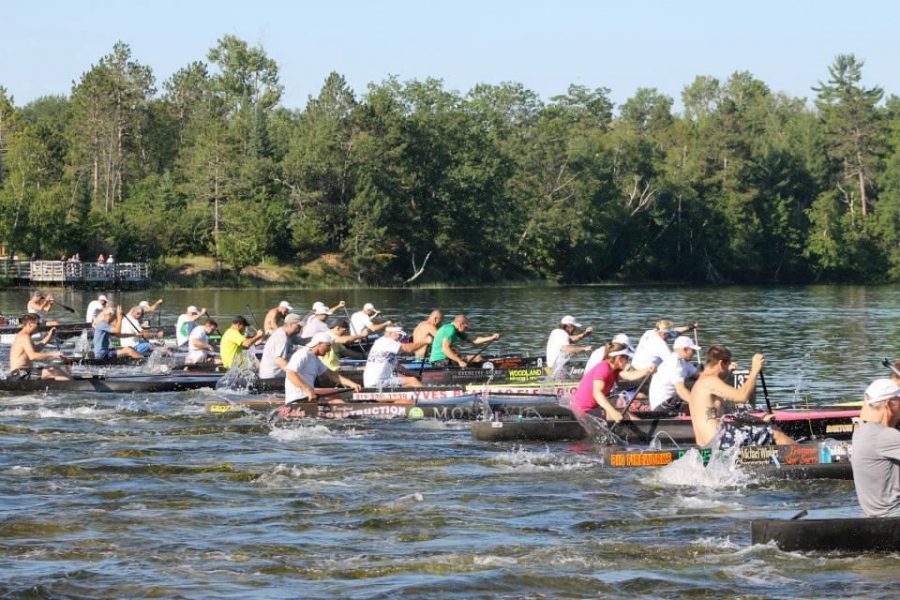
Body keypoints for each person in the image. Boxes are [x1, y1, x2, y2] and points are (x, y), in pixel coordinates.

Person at [688, 345, 794, 449]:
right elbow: (742, 396)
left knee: (759, 428)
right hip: (719, 441)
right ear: (721, 364)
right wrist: (754, 370)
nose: (729, 370)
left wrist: (759, 420)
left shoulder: (699, 384)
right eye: (728, 365)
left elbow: (733, 415)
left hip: (706, 445)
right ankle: (806, 455)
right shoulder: (709, 381)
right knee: (774, 432)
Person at [850, 378, 900, 517]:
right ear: (890, 404)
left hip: (870, 515)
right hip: (893, 516)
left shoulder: (860, 433)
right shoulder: (887, 437)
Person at [570, 342, 655, 421]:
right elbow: (597, 393)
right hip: (583, 411)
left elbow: (629, 375)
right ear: (619, 358)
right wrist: (613, 412)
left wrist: (647, 370)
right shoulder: (604, 368)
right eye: (627, 358)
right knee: (626, 415)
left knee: (622, 410)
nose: (628, 361)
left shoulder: (613, 370)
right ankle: (649, 435)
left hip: (593, 408)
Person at [284, 332, 361, 404]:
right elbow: (290, 373)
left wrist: (351, 384)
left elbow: (331, 375)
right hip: (297, 400)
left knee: (338, 400)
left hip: (308, 397)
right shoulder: (303, 354)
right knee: (339, 403)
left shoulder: (315, 358)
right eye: (328, 345)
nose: (330, 349)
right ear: (319, 344)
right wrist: (307, 389)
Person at [7, 314, 71, 381]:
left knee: (54, 370)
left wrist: (49, 337)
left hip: (23, 373)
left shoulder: (24, 336)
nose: (39, 326)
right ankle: (73, 385)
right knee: (54, 370)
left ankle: (69, 383)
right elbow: (33, 356)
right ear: (30, 324)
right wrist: (53, 354)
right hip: (20, 375)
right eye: (38, 323)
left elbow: (35, 350)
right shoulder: (24, 337)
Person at [363, 326, 431, 388]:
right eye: (399, 335)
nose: (400, 337)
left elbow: (398, 367)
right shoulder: (386, 341)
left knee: (411, 380)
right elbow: (407, 348)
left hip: (377, 382)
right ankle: (431, 399)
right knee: (412, 381)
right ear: (390, 333)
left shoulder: (385, 345)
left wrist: (415, 375)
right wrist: (425, 342)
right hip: (377, 383)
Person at [648, 336, 701, 411]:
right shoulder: (676, 365)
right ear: (685, 350)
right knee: (697, 392)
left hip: (668, 402)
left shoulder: (682, 361)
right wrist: (700, 404)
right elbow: (681, 390)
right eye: (693, 351)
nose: (694, 353)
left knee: (700, 384)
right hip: (662, 407)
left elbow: (701, 375)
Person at [429, 314, 501, 367]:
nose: (467, 329)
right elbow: (445, 349)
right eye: (466, 327)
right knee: (477, 358)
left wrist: (492, 337)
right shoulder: (450, 330)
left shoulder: (455, 330)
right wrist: (459, 361)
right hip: (440, 361)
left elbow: (475, 340)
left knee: (471, 357)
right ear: (461, 324)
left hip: (441, 360)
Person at [632, 319, 697, 370]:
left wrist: (689, 327)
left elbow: (675, 331)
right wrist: (692, 368)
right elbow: (674, 364)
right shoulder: (661, 345)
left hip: (634, 366)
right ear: (663, 334)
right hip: (646, 373)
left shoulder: (649, 332)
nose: (670, 336)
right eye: (669, 334)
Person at [259, 313, 304, 379]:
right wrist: (295, 377)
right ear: (290, 325)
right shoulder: (282, 338)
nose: (300, 328)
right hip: (273, 377)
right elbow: (281, 361)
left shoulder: (288, 334)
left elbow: (303, 341)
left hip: (276, 374)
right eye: (299, 326)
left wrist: (319, 339)